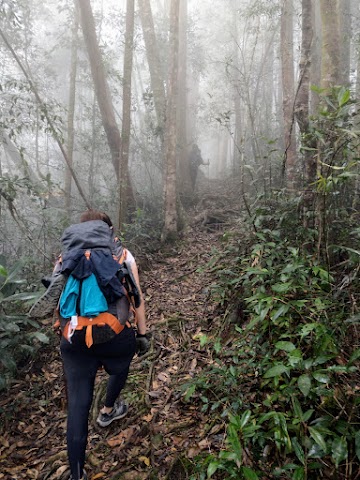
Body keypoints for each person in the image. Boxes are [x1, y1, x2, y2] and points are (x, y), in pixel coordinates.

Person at [32, 210, 149, 480]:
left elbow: (58, 302)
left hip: (74, 340)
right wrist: (143, 334)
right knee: (121, 366)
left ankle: (76, 474)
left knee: (78, 404)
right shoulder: (122, 254)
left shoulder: (65, 258)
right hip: (115, 334)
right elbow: (137, 299)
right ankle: (108, 410)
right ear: (108, 230)